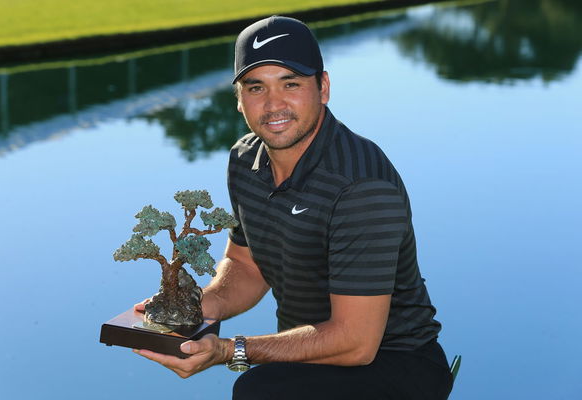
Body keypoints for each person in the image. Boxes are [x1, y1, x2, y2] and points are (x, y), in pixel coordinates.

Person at [134, 15, 453, 400]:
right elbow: (247, 266)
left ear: (324, 87)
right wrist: (195, 308)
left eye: (291, 84)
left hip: (397, 362)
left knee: (260, 390)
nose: (273, 105)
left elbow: (356, 342)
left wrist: (229, 350)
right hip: (311, 357)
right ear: (238, 99)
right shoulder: (244, 160)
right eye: (256, 87)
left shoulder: (362, 186)